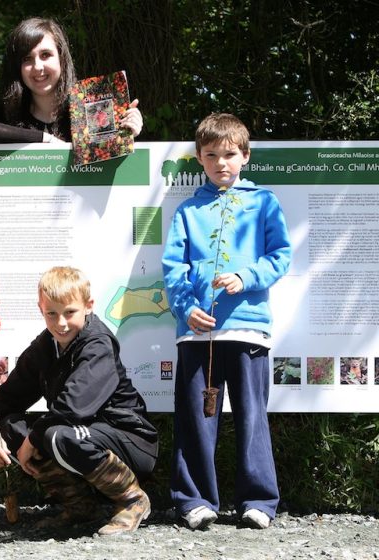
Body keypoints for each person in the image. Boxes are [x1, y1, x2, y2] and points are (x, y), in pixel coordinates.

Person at [162, 113, 291, 530]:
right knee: (197, 418)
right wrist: (185, 309)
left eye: (230, 154)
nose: (221, 162)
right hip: (198, 335)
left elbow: (280, 256)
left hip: (249, 328)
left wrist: (245, 277)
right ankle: (195, 499)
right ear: (199, 158)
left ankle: (258, 500)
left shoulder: (264, 203)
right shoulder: (187, 211)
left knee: (253, 416)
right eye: (211, 154)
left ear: (245, 156)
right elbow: (173, 270)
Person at [0, 266, 158, 535]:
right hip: (79, 433)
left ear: (88, 306)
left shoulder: (98, 344)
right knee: (8, 427)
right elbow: (3, 401)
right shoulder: (44, 346)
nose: (60, 323)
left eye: (69, 312)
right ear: (41, 309)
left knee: (56, 436)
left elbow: (72, 408)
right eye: (51, 313)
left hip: (129, 439)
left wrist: (33, 439)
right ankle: (80, 508)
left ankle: (132, 499)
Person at [0, 17, 143, 145]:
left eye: (45, 55)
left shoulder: (90, 107)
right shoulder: (9, 110)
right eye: (27, 59)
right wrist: (45, 139)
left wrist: (128, 130)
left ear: (61, 59)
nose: (37, 67)